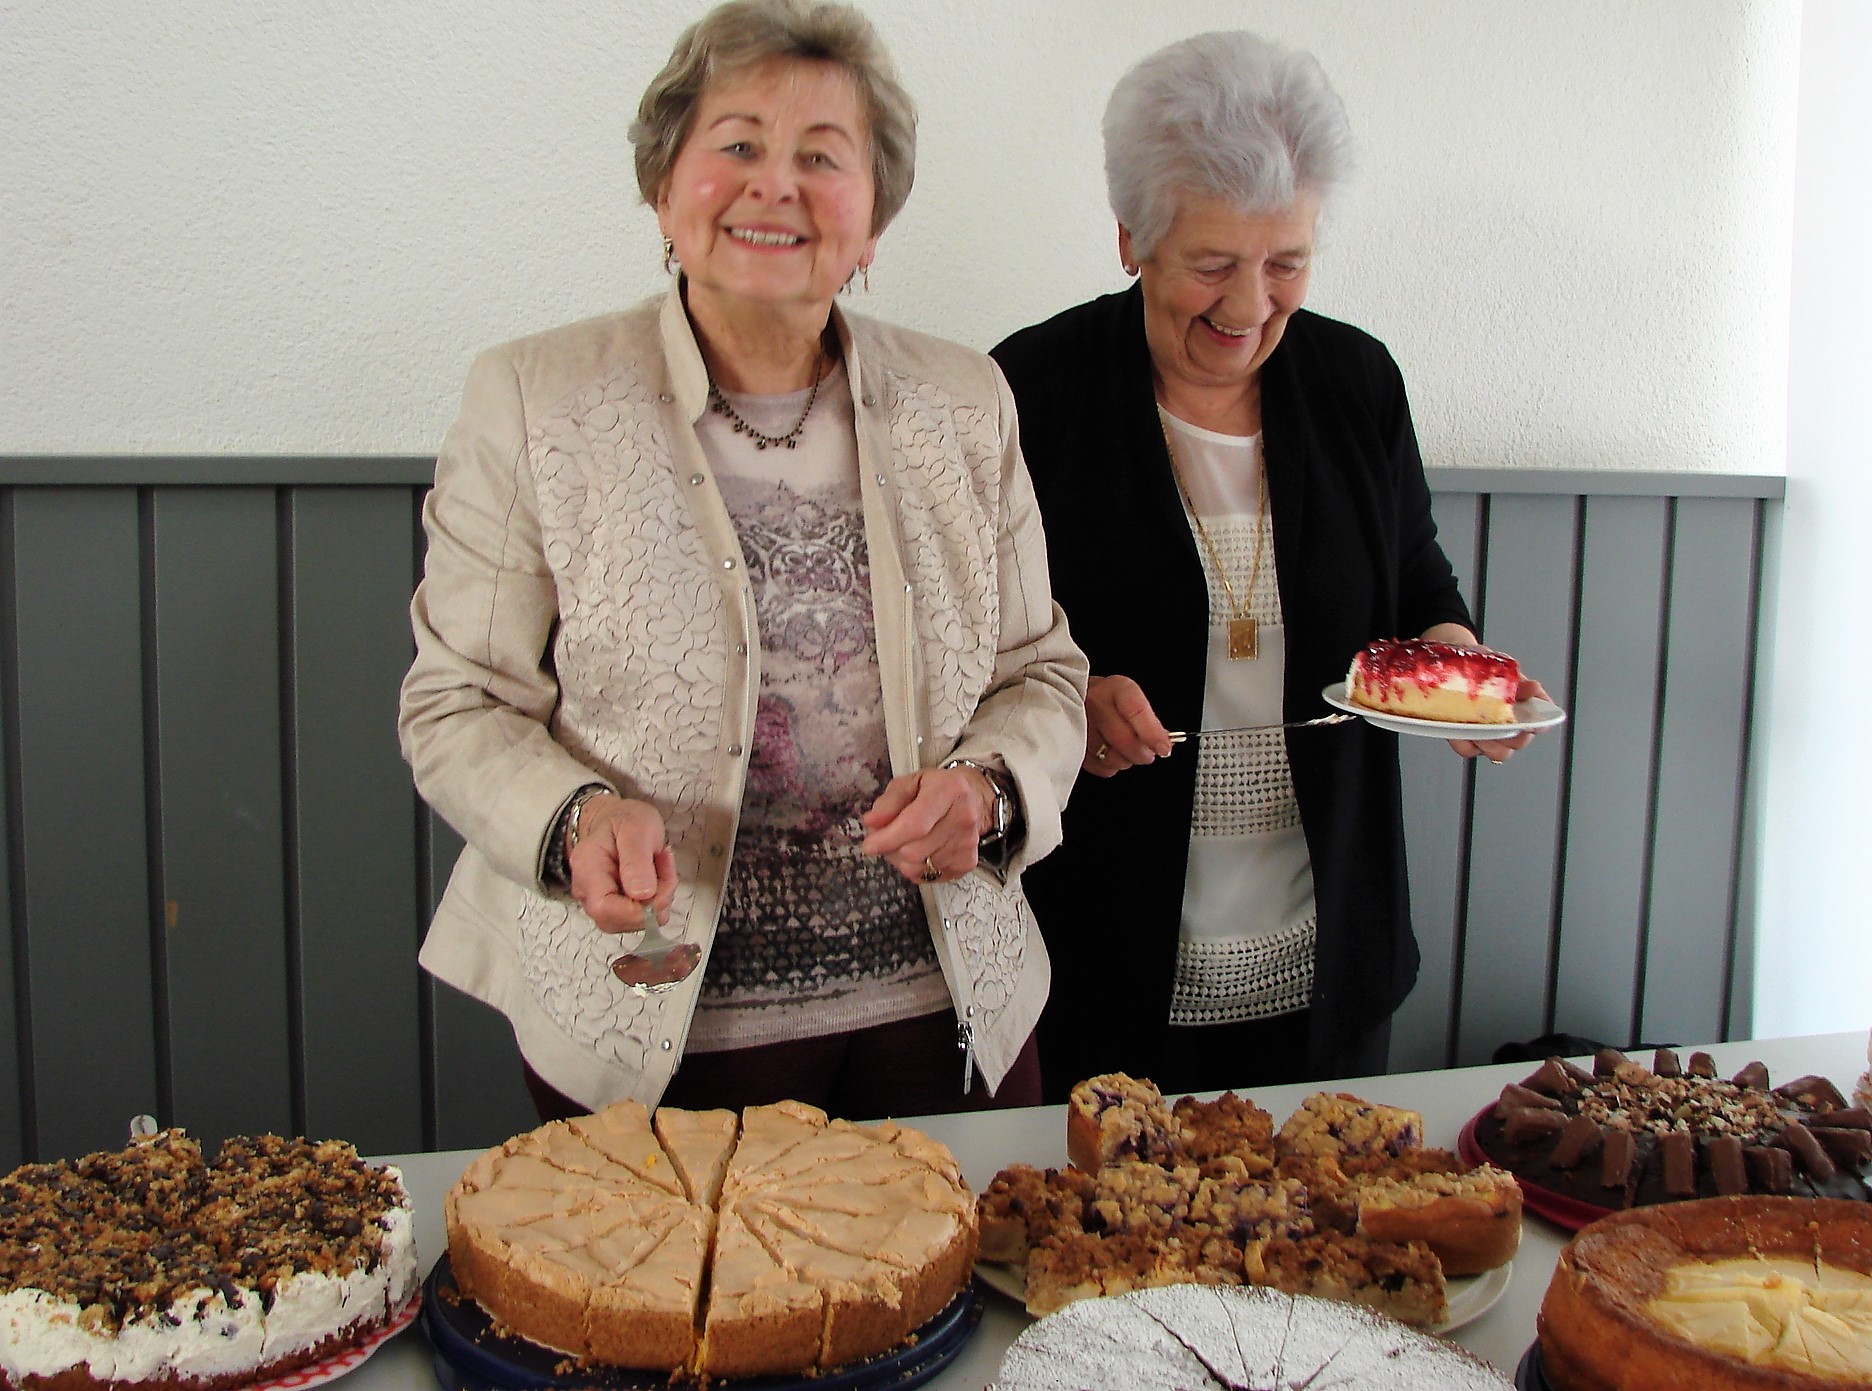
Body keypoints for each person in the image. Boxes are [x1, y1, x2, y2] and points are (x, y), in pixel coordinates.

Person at [399, 0, 1086, 1122]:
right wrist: (572, 818)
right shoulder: (535, 399)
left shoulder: (964, 401)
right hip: (652, 1020)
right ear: (665, 188)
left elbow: (1042, 672)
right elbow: (459, 702)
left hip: (946, 1013)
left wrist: (992, 789)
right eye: (737, 146)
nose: (778, 184)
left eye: (824, 157)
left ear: (872, 223)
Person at [992, 31, 1544, 1102]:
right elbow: (973, 642)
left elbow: (1418, 577)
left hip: (1322, 947)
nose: (1249, 307)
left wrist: (1456, 668)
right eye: (1211, 264)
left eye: (1285, 262)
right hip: (1100, 952)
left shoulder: (1357, 381)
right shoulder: (1031, 392)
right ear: (1130, 241)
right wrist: (1070, 701)